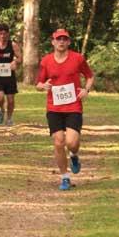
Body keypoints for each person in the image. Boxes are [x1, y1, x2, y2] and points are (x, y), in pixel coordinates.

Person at [36, 29, 94, 191]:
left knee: (72, 142)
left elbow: (90, 76)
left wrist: (86, 90)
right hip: (54, 108)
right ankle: (65, 177)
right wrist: (43, 86)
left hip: (73, 106)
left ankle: (74, 156)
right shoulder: (46, 61)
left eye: (64, 39)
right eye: (58, 39)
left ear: (68, 42)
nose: (61, 42)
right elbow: (38, 84)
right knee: (59, 142)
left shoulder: (77, 58)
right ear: (53, 42)